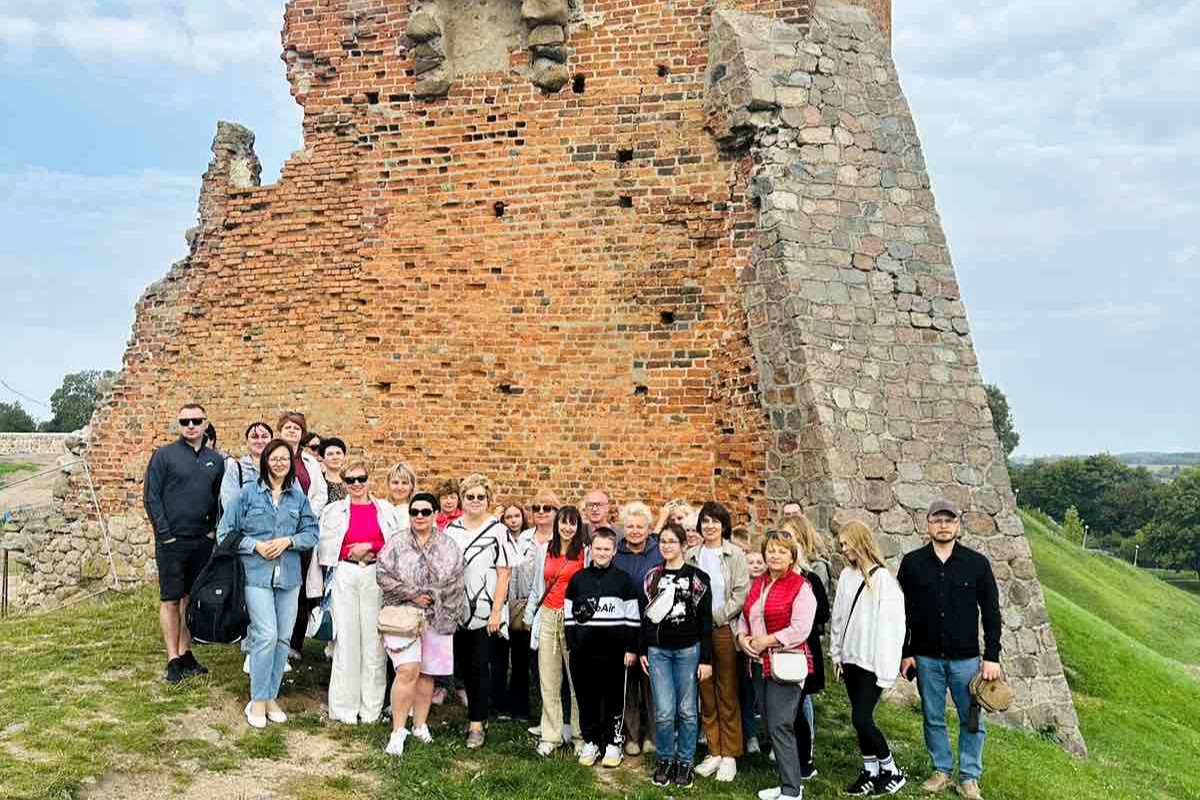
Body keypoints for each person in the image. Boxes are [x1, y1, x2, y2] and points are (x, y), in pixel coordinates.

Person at [898, 499, 1002, 800]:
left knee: (972, 719)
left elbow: (991, 612)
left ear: (958, 524)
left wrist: (991, 656)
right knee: (932, 716)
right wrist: (906, 652)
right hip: (926, 657)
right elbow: (901, 612)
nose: (943, 526)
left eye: (949, 520)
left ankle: (969, 777)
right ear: (928, 524)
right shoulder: (912, 563)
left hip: (966, 660)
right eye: (937, 520)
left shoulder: (977, 564)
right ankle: (941, 770)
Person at [216, 438, 319, 728]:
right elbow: (225, 532)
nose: (279, 463)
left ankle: (271, 696)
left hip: (289, 578)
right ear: (265, 461)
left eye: (285, 458)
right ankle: (258, 700)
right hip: (256, 576)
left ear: (290, 463)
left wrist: (289, 541)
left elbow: (312, 532)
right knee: (266, 635)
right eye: (274, 458)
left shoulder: (298, 498)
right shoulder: (247, 494)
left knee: (283, 638)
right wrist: (255, 545)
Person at [376, 492, 467, 756]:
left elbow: (457, 580)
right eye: (414, 511)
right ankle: (397, 731)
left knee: (427, 673)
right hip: (403, 616)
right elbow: (382, 574)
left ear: (436, 514)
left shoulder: (448, 545)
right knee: (407, 670)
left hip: (438, 617)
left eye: (425, 511)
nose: (419, 516)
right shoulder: (396, 543)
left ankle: (420, 725)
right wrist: (412, 594)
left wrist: (436, 599)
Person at [143, 402, 226, 684]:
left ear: (205, 423)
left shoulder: (216, 460)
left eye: (196, 421)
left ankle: (186, 652)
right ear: (178, 425)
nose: (190, 426)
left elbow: (220, 499)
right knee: (170, 599)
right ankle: (172, 659)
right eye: (184, 421)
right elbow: (151, 497)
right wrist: (164, 534)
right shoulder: (164, 455)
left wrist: (212, 531)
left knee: (191, 600)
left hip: (202, 541)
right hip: (172, 541)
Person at [317, 460, 402, 724]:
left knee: (374, 642)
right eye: (350, 480)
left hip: (375, 575)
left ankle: (371, 709)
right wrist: (351, 550)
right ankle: (344, 708)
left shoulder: (385, 510)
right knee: (346, 641)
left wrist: (370, 547)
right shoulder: (333, 511)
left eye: (361, 479)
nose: (356, 484)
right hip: (345, 573)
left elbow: (396, 542)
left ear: (369, 479)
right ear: (344, 483)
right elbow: (326, 546)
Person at [829, 520, 907, 796]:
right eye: (841, 544)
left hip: (872, 663)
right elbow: (839, 617)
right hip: (850, 660)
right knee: (857, 719)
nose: (843, 548)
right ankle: (870, 771)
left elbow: (892, 629)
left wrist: (885, 670)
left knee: (862, 719)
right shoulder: (846, 576)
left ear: (860, 541)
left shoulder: (884, 580)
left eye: (846, 542)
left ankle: (892, 770)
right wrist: (836, 654)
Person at [738, 531, 817, 800]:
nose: (774, 556)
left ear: (792, 557)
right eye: (771, 550)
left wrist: (767, 641)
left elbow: (800, 628)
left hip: (786, 663)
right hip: (758, 664)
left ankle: (792, 791)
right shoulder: (759, 583)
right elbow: (746, 616)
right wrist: (743, 638)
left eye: (782, 551)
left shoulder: (800, 586)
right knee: (772, 725)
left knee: (781, 725)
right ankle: (787, 783)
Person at [444, 473, 515, 748]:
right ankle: (479, 714)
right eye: (470, 496)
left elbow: (504, 573)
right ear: (462, 499)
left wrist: (496, 611)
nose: (475, 501)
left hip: (486, 609)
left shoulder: (498, 531)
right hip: (457, 608)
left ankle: (476, 723)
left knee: (479, 665)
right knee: (464, 665)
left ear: (488, 499)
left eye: (480, 497)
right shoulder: (451, 529)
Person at [640, 523, 713, 789]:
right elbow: (645, 617)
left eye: (672, 541)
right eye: (663, 541)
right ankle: (665, 759)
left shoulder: (697, 578)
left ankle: (685, 761)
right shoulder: (652, 577)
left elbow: (705, 620)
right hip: (658, 651)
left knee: (687, 710)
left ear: (683, 545)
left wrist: (706, 659)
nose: (667, 546)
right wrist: (643, 649)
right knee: (664, 711)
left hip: (688, 651)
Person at [565, 527, 640, 768]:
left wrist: (631, 649)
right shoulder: (578, 580)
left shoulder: (624, 581)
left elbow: (632, 618)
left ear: (614, 551)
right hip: (584, 652)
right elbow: (569, 615)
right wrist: (573, 644)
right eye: (598, 548)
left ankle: (613, 743)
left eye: (607, 549)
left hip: (614, 653)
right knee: (587, 698)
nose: (602, 553)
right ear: (590, 549)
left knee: (613, 699)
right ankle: (591, 741)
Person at [687, 502, 749, 783]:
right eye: (705, 521)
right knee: (706, 692)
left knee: (727, 692)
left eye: (715, 521)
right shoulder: (692, 555)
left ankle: (730, 754)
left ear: (724, 526)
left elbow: (740, 594)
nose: (709, 526)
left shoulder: (735, 555)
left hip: (724, 629)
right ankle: (714, 749)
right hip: (697, 633)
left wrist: (715, 617)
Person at [527, 505, 588, 756]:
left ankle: (580, 735)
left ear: (578, 527)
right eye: (564, 522)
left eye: (573, 523)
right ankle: (551, 734)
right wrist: (530, 614)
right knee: (549, 678)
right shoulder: (546, 549)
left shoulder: (585, 552)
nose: (567, 528)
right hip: (549, 615)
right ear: (557, 524)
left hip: (574, 619)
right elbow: (537, 585)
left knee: (577, 680)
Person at [276, 411, 329, 658]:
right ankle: (273, 638)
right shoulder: (272, 457)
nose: (291, 431)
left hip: (303, 531)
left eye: (296, 428)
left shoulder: (309, 463)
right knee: (278, 582)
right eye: (287, 427)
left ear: (302, 433)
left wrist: (306, 515)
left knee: (299, 585)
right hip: (277, 529)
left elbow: (321, 494)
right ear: (280, 430)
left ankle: (294, 642)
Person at [613, 501, 663, 755]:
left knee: (652, 684)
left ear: (648, 528)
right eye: (630, 526)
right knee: (628, 683)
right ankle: (631, 736)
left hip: (653, 627)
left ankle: (652, 736)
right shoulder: (616, 553)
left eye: (639, 527)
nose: (634, 531)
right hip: (624, 627)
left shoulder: (659, 552)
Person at [513, 488, 560, 726]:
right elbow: (513, 569)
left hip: (547, 605)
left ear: (556, 512)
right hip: (522, 604)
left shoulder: (560, 540)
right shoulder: (523, 538)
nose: (541, 512)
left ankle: (548, 714)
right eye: (536, 508)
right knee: (520, 659)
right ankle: (521, 709)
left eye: (547, 508)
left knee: (545, 663)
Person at [490, 502, 528, 719]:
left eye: (516, 516)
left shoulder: (529, 540)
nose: (513, 521)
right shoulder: (498, 539)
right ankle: (498, 703)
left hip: (522, 605)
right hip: (502, 605)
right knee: (499, 658)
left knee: (521, 659)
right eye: (509, 517)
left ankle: (519, 706)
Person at [219, 421, 272, 514]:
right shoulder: (236, 469)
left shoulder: (282, 467)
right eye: (254, 437)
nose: (260, 441)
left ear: (272, 441)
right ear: (247, 442)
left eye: (264, 436)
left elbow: (293, 501)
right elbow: (230, 505)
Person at [384, 462, 418, 533]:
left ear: (411, 486)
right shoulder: (381, 510)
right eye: (395, 482)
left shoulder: (419, 512)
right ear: (388, 484)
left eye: (404, 483)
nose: (399, 488)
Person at [319, 438, 349, 503]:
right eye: (330, 454)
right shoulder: (318, 482)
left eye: (338, 453)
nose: (335, 457)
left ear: (344, 457)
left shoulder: (351, 481)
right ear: (322, 458)